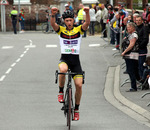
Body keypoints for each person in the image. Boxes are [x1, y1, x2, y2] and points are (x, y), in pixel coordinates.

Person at [50, 7, 90, 121]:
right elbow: (53, 24)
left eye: (70, 20)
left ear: (73, 20)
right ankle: (61, 91)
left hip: (76, 61)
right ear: (64, 21)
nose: (68, 22)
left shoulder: (78, 30)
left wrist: (87, 13)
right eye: (66, 21)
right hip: (65, 59)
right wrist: (53, 14)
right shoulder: (61, 30)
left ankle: (76, 109)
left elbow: (87, 23)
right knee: (62, 69)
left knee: (79, 85)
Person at [121, 22, 140, 92]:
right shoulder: (130, 35)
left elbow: (131, 45)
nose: (127, 29)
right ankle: (141, 82)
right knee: (134, 70)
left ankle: (134, 86)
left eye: (128, 27)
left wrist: (124, 52)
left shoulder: (134, 35)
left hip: (131, 55)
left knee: (131, 70)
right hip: (130, 55)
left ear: (132, 28)